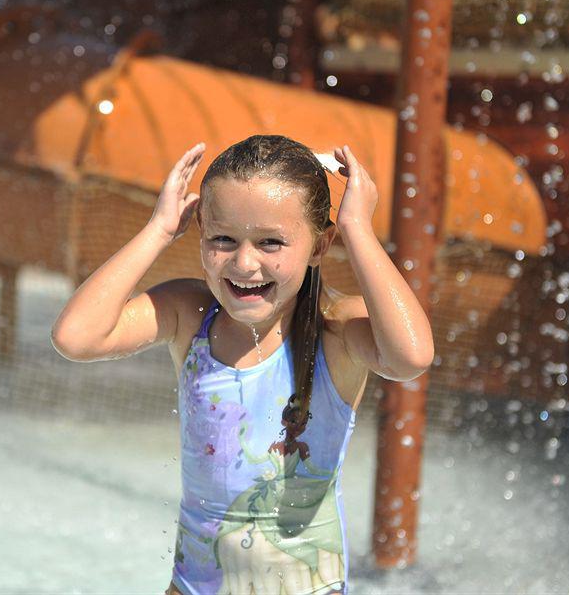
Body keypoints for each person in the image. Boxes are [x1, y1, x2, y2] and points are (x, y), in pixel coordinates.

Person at [51, 135, 434, 594]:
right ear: (200, 235)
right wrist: (157, 231)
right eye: (223, 239)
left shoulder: (337, 330)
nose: (244, 262)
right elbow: (76, 337)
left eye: (271, 242)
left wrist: (358, 230)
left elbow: (410, 356)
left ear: (318, 246)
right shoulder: (190, 314)